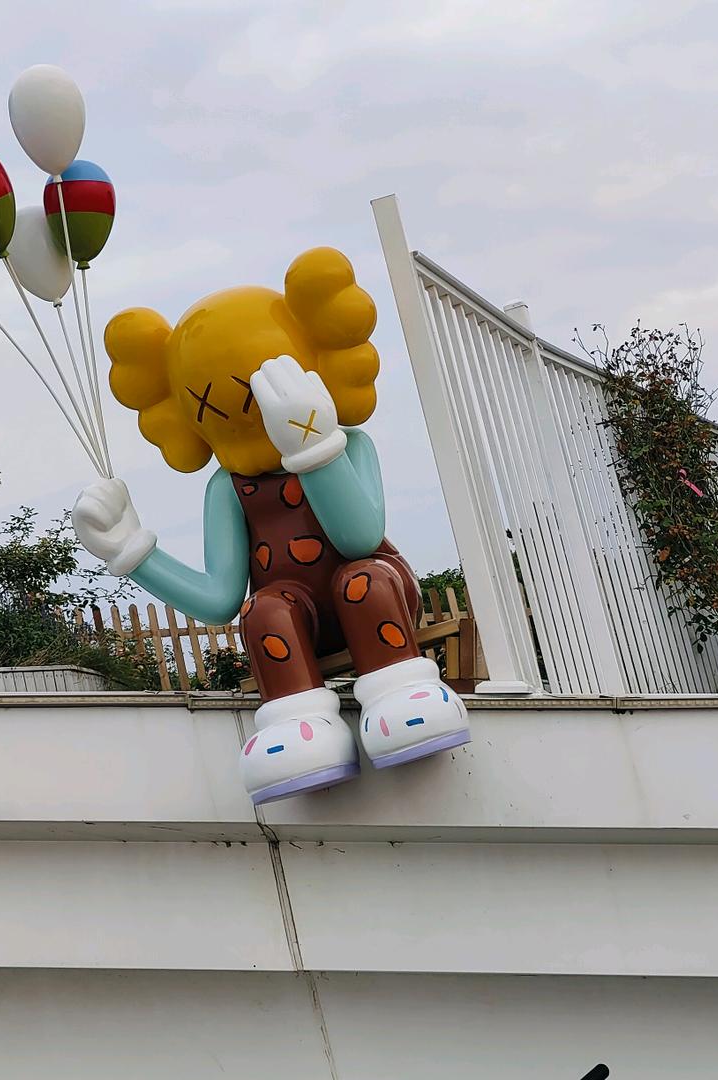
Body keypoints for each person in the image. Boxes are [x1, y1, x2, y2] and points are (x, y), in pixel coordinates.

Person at [72, 247, 469, 804]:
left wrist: (314, 448)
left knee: (363, 584)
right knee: (263, 610)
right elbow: (219, 599)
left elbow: (358, 537)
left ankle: (403, 690)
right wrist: (134, 553)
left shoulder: (348, 445)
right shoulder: (227, 487)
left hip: (376, 592)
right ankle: (299, 725)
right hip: (294, 617)